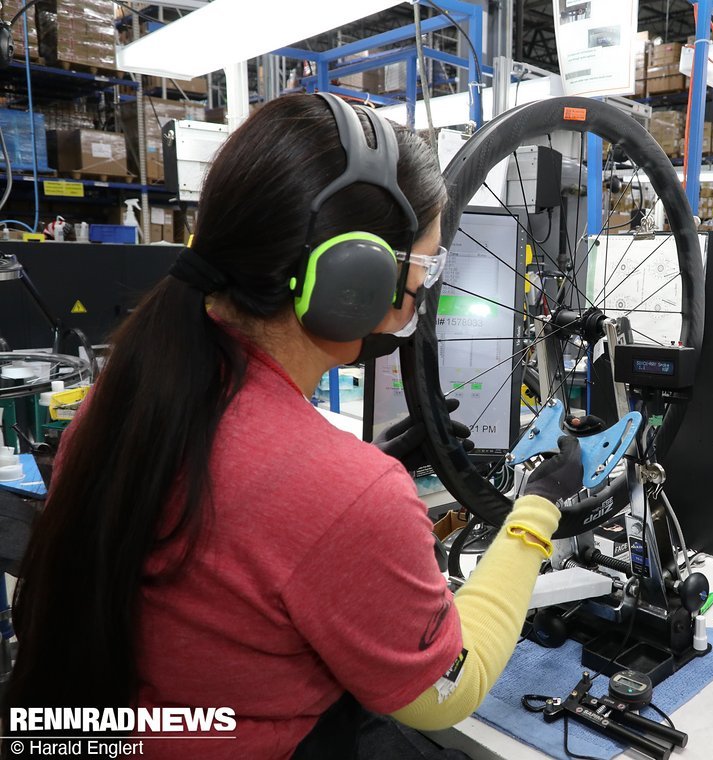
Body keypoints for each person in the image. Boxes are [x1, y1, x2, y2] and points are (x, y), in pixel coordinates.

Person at [5, 93, 584, 759]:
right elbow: (446, 693)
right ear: (353, 278)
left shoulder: (129, 395)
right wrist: (536, 508)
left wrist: (367, 470)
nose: (423, 291)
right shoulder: (344, 492)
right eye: (424, 267)